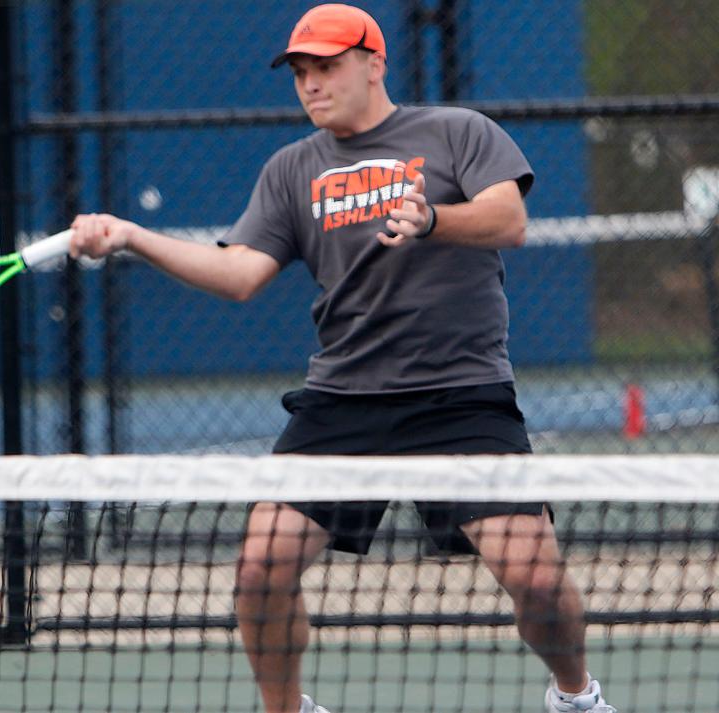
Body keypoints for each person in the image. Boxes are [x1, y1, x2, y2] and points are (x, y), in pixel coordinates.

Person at [68, 5, 616, 713]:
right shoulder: (292, 168)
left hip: (462, 396)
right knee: (261, 567)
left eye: (326, 67)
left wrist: (431, 220)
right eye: (300, 72)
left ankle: (576, 696)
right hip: (343, 403)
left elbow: (508, 219)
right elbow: (239, 274)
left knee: (537, 579)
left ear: (374, 62)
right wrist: (132, 236)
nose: (311, 84)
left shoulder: (457, 132)